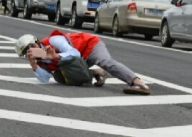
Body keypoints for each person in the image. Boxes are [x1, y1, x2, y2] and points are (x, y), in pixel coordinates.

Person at [16, 30, 151, 94]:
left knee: (105, 61)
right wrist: (33, 64)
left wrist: (55, 56)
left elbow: (75, 53)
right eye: (26, 52)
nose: (31, 51)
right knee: (59, 76)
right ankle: (96, 73)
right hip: (80, 60)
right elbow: (45, 79)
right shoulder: (39, 61)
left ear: (36, 42)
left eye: (31, 47)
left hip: (90, 46)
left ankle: (138, 83)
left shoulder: (53, 40)